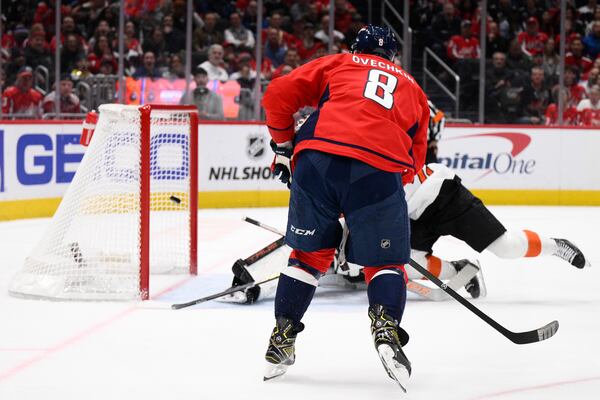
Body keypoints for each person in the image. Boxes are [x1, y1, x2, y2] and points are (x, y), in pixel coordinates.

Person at [260, 24, 429, 391]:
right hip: (379, 169)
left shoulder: (339, 63)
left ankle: (282, 335)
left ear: (356, 47)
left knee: (307, 257)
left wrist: (283, 146)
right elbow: (414, 162)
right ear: (393, 56)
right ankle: (385, 327)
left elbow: (276, 95)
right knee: (384, 263)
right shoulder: (414, 89)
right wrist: (363, 208)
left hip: (315, 161)